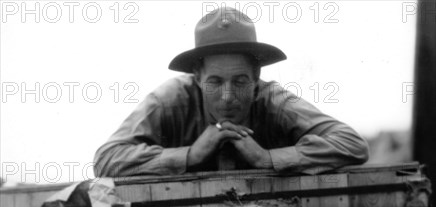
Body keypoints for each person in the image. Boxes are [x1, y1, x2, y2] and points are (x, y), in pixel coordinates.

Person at [93, 6, 369, 177]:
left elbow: (352, 144)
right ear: (197, 76)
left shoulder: (274, 100)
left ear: (257, 77)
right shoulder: (168, 101)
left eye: (239, 81)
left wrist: (267, 158)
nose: (227, 96)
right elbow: (106, 160)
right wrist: (190, 155)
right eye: (215, 81)